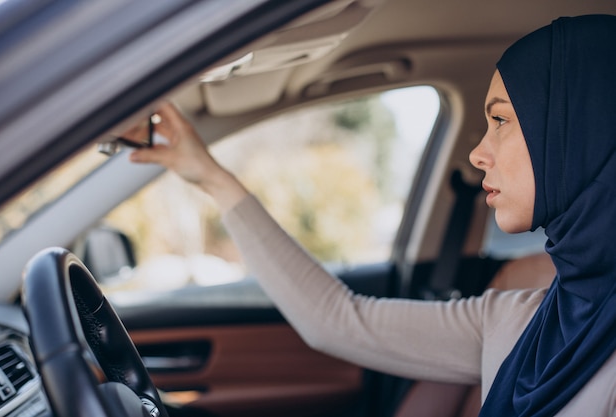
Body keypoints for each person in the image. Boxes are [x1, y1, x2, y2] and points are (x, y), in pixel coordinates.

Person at [128, 15, 616, 416]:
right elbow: (336, 321)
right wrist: (209, 175)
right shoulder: (517, 317)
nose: (477, 153)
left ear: (583, 130)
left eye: (502, 120)